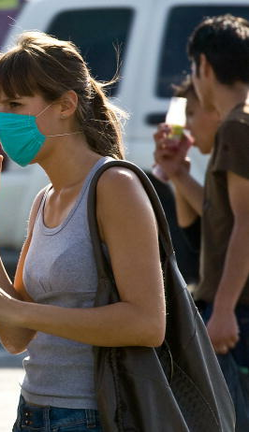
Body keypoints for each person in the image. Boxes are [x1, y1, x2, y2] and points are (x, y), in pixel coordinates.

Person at [0, 31, 166, 431]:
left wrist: (17, 309)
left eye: (14, 104)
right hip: (32, 411)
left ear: (66, 105)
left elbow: (147, 324)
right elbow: (15, 336)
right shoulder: (45, 199)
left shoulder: (114, 186)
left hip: (93, 415)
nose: (2, 119)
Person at [187, 14, 249, 431]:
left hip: (239, 313)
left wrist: (224, 308)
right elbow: (221, 214)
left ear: (205, 66)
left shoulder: (238, 126)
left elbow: (249, 221)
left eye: (193, 71)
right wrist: (176, 174)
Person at [153, 76, 222, 263]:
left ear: (217, 108)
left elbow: (225, 223)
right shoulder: (217, 159)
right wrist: (177, 173)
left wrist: (179, 175)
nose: (187, 127)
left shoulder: (238, 154)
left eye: (190, 113)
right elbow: (195, 235)